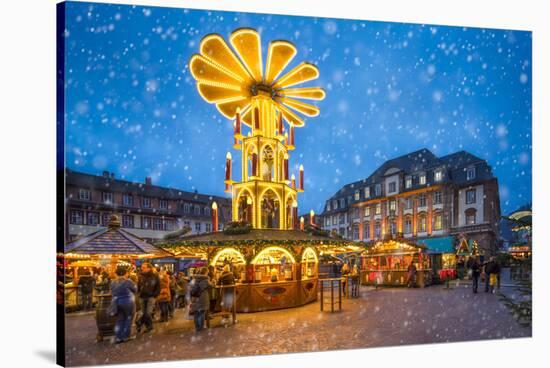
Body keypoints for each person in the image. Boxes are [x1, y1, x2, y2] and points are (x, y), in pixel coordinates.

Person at [110, 266, 137, 344]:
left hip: (117, 303)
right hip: (128, 302)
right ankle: (125, 336)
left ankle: (118, 337)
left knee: (119, 320)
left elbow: (112, 292)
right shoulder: (128, 281)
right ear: (125, 273)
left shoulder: (113, 282)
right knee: (128, 319)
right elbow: (135, 290)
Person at [136, 262, 160, 333]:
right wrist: (139, 293)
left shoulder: (155, 276)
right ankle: (148, 326)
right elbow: (138, 286)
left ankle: (141, 323)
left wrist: (155, 294)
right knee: (143, 313)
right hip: (142, 297)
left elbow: (158, 287)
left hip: (151, 297)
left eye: (144, 267)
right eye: (142, 267)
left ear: (149, 268)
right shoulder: (140, 276)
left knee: (148, 313)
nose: (141, 269)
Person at [190, 267, 211, 333]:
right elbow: (211, 286)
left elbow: (191, 287)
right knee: (202, 312)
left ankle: (197, 327)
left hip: (195, 298)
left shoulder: (194, 279)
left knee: (196, 313)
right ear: (206, 272)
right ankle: (201, 327)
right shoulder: (205, 279)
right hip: (202, 298)